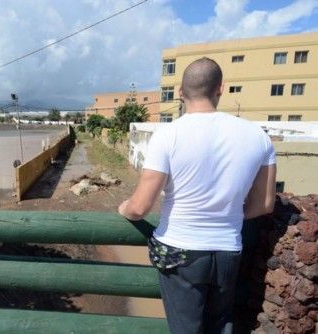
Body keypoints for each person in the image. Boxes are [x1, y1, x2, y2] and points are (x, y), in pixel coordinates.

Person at [118, 57, 276, 334]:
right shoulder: (258, 136)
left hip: (179, 251)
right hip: (228, 250)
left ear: (180, 92)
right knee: (221, 326)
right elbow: (264, 204)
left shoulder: (168, 135)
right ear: (220, 89)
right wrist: (230, 213)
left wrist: (124, 210)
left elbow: (140, 207)